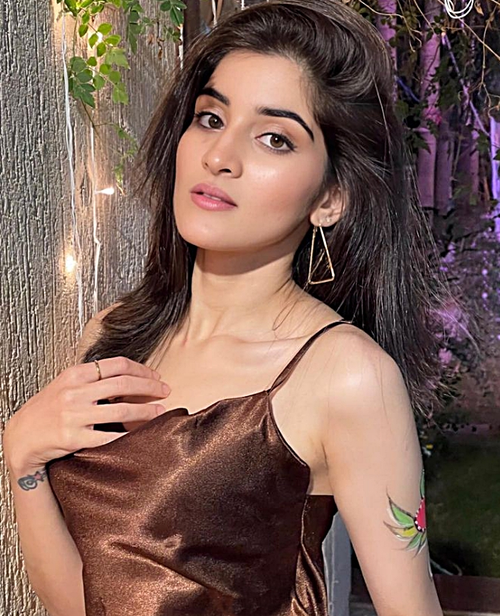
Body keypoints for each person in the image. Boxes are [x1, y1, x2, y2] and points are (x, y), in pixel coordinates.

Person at [2, 0, 452, 614]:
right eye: (211, 118)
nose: (220, 155)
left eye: (274, 138)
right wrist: (23, 460)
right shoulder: (114, 335)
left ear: (330, 197)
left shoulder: (348, 376)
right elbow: (80, 602)